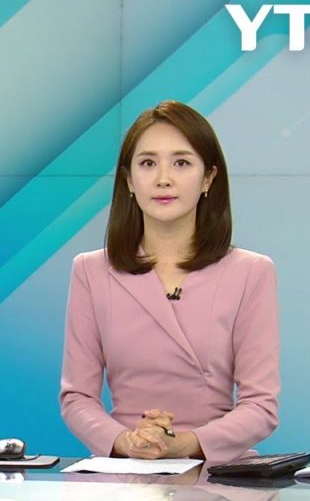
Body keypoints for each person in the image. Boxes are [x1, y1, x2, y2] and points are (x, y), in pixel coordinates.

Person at [59, 100, 279, 462]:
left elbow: (261, 406)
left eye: (181, 163)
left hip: (215, 467)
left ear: (208, 178)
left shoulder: (250, 272)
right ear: (129, 180)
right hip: (125, 469)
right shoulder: (91, 271)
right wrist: (126, 442)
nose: (163, 179)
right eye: (148, 163)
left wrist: (185, 444)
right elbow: (77, 397)